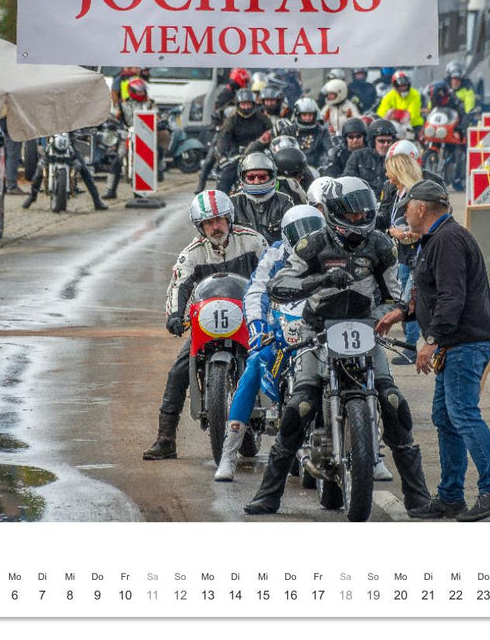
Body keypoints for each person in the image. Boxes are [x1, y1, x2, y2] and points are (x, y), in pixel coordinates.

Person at [243, 177, 434, 516]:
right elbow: (279, 284)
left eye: (366, 215)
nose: (361, 221)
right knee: (299, 407)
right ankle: (269, 494)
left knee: (393, 403)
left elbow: (393, 293)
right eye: (355, 216)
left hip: (366, 328)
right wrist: (319, 280)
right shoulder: (312, 244)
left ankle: (418, 497)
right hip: (317, 331)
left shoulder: (381, 246)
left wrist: (394, 312)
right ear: (334, 213)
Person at [376, 180, 490, 521]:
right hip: (457, 341)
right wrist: (403, 313)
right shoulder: (438, 237)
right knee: (446, 417)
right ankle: (451, 496)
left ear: (421, 208)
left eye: (408, 205)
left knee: (463, 414)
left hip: (464, 342)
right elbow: (433, 291)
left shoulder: (449, 240)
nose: (405, 211)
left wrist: (432, 340)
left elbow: (453, 296)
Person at [143, 191, 268, 460]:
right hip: (209, 325)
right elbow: (178, 284)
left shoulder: (253, 241)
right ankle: (165, 438)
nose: (216, 226)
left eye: (220, 220)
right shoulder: (192, 253)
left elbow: (273, 275)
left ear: (229, 219)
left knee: (280, 361)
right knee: (178, 370)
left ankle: (291, 436)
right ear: (200, 226)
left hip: (248, 322)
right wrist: (174, 315)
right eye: (209, 222)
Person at [214, 205, 327, 481]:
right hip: (280, 334)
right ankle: (228, 453)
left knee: (357, 369)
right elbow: (255, 292)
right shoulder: (275, 254)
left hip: (321, 332)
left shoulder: (332, 251)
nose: (306, 238)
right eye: (299, 232)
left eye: (313, 230)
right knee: (253, 365)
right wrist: (257, 327)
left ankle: (373, 453)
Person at [377, 144, 426, 366]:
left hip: (417, 254)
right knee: (407, 299)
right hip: (403, 255)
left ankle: (412, 346)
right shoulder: (395, 191)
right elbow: (386, 216)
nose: (387, 175)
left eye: (390, 170)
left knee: (410, 299)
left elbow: (421, 229)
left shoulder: (418, 192)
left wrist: (401, 233)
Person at [22, 132, 109, 211]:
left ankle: (97, 201)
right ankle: (32, 196)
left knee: (83, 168)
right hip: (52, 140)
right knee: (41, 166)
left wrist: (80, 132)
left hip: (68, 142)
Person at [210, 88, 274, 195]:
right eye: (243, 104)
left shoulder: (262, 118)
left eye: (248, 104)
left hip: (261, 154)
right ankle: (220, 199)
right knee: (226, 177)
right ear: (238, 104)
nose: (246, 107)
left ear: (253, 104)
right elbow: (224, 137)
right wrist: (222, 155)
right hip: (238, 156)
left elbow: (272, 133)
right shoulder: (231, 119)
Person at [104, 77, 157, 200]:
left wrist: (159, 122)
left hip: (145, 137)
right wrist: (112, 122)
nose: (142, 93)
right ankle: (111, 190)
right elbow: (114, 116)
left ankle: (143, 187)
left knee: (151, 158)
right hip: (126, 135)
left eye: (143, 91)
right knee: (118, 158)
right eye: (139, 91)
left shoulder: (150, 104)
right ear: (132, 91)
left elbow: (156, 116)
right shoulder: (123, 104)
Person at [229, 152, 294, 244]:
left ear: (271, 176)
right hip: (245, 255)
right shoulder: (232, 203)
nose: (256, 181)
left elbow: (293, 236)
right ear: (243, 178)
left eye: (262, 177)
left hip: (276, 254)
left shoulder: (284, 201)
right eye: (251, 177)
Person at [342, 118, 396, 196]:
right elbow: (347, 181)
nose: (386, 144)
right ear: (373, 141)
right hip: (364, 201)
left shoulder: (397, 158)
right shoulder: (358, 156)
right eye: (381, 141)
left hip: (389, 201)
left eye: (389, 141)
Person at [279, 98, 333, 170]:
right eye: (304, 115)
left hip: (316, 170)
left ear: (315, 115)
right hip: (292, 169)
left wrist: (331, 157)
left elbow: (329, 149)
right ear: (298, 114)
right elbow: (282, 151)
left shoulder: (322, 131)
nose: (307, 118)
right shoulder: (289, 130)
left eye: (310, 114)